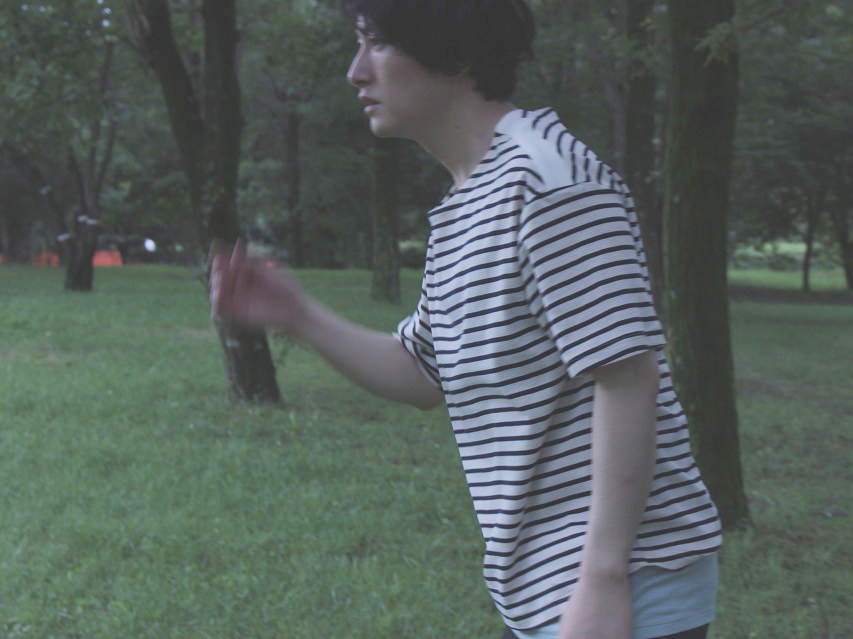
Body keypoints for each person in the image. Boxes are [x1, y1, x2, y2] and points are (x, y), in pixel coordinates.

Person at [209, 1, 722, 638]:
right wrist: (298, 315)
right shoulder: (469, 200)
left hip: (626, 585)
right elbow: (425, 371)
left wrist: (603, 579)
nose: (355, 71)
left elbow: (628, 378)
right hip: (549, 587)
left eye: (377, 42)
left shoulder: (549, 181)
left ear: (452, 51)